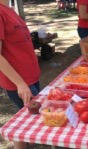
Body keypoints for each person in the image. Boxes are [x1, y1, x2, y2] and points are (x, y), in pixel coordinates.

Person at [0, 0, 41, 148]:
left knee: (25, 118)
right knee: (32, 118)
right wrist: (19, 83)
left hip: (30, 77)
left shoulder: (9, 9)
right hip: (21, 83)